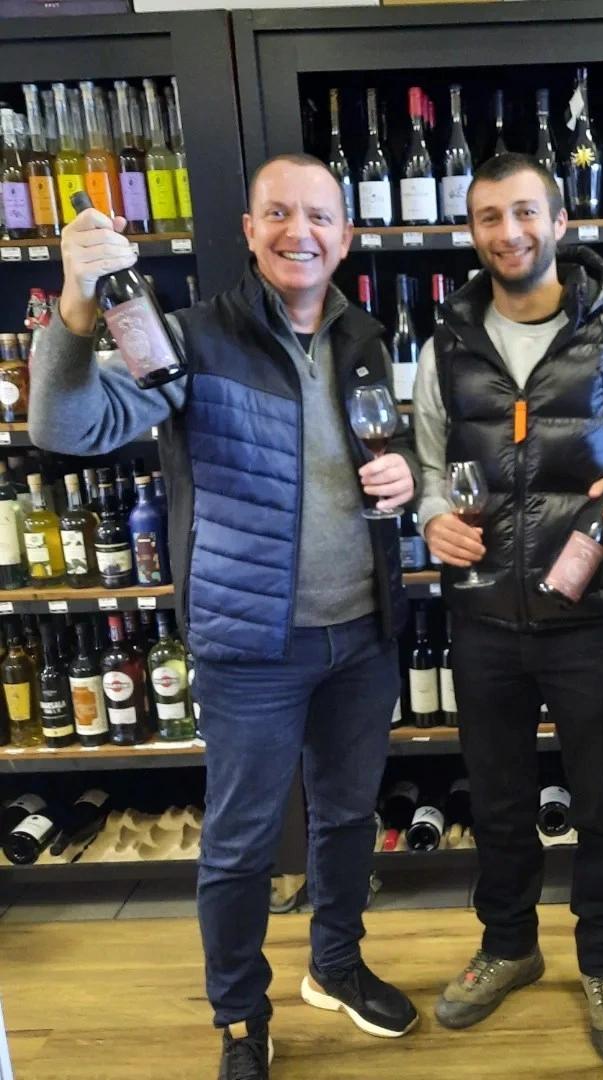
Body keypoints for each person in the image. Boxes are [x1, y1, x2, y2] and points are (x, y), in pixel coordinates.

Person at [29, 153, 420, 1079]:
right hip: (252, 645)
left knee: (347, 818)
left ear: (345, 237)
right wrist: (76, 308)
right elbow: (65, 427)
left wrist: (406, 477)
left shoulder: (364, 336)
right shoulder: (189, 339)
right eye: (277, 213)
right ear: (249, 231)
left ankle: (335, 964)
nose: (299, 232)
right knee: (242, 844)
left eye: (318, 216)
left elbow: (380, 451)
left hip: (364, 630)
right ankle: (242, 1019)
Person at [411, 152, 603, 1064]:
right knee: (497, 801)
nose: (509, 232)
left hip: (589, 615)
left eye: (526, 212)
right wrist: (431, 518)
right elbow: (425, 468)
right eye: (489, 217)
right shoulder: (445, 347)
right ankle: (508, 947)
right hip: (482, 616)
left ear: (560, 223)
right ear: (472, 232)